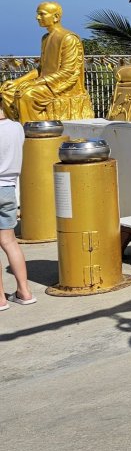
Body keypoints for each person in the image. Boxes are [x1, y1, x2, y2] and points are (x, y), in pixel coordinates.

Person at [0, 1, 93, 123]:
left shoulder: (68, 38)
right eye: (37, 14)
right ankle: (19, 129)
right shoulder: (45, 38)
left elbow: (68, 72)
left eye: (42, 14)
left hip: (61, 86)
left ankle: (36, 130)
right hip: (45, 84)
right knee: (7, 92)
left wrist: (34, 83)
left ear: (56, 17)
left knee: (26, 95)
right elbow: (41, 69)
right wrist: (17, 81)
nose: (37, 17)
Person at [0, 108, 36, 309]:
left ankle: (0, 299)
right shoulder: (17, 128)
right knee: (9, 241)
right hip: (8, 190)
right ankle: (24, 291)